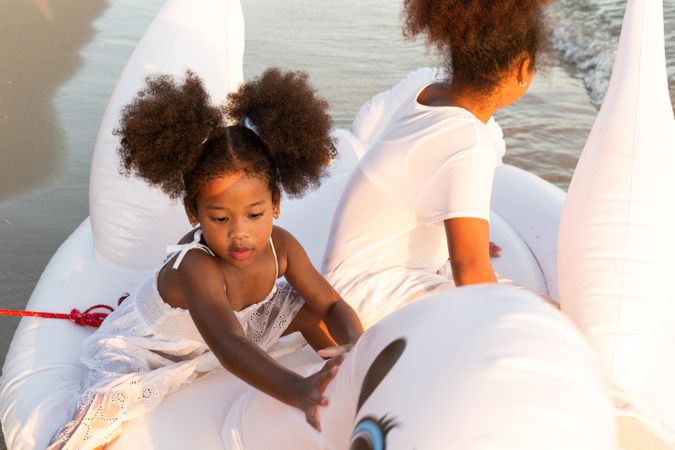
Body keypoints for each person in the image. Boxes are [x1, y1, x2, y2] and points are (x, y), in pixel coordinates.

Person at [48, 68, 363, 449]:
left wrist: (357, 348)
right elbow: (229, 344)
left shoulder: (284, 248)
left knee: (308, 309)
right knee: (106, 405)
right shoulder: (196, 265)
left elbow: (328, 302)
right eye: (220, 218)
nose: (239, 232)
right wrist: (297, 390)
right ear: (193, 213)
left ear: (276, 205)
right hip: (153, 349)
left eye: (255, 214)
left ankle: (344, 377)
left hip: (223, 331)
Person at [322, 0, 552, 327]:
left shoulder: (431, 95)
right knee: (543, 319)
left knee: (528, 307)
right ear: (522, 68)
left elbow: (420, 182)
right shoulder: (470, 140)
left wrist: (465, 240)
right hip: (365, 295)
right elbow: (470, 272)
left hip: (350, 283)